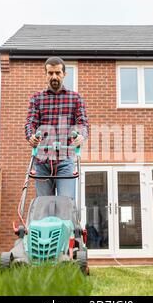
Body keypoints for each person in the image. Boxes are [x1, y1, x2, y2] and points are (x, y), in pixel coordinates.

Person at [25, 57, 89, 200]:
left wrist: (81, 136)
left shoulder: (75, 98)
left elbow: (83, 123)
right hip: (42, 162)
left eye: (58, 73)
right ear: (46, 74)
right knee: (43, 205)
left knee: (66, 203)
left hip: (65, 160)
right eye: (50, 73)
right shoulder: (37, 98)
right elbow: (30, 123)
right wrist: (31, 136)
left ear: (64, 74)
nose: (54, 76)